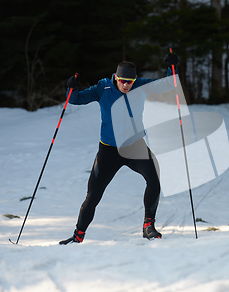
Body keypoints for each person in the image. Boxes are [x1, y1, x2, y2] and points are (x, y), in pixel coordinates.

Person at [59, 53, 179, 245]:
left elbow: (169, 84)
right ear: (116, 77)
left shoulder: (140, 86)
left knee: (154, 179)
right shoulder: (103, 88)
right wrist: (72, 88)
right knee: (93, 195)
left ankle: (148, 226)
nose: (126, 85)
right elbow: (75, 100)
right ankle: (78, 234)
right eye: (123, 81)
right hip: (109, 150)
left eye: (130, 81)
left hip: (135, 147)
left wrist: (172, 67)